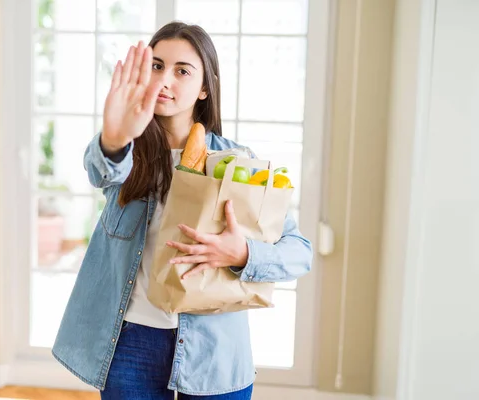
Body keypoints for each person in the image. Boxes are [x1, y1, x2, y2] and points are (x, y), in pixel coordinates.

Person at [52, 21, 313, 400]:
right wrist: (114, 137)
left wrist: (241, 254)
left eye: (182, 71)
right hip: (131, 341)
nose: (164, 80)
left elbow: (299, 251)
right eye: (156, 66)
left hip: (214, 351)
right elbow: (101, 169)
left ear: (205, 88)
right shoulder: (124, 148)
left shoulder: (236, 164)